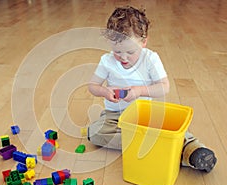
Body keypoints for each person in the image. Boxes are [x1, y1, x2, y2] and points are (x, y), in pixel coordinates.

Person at [87, 5, 217, 172]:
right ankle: (164, 148)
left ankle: (193, 150)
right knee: (95, 132)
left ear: (144, 41)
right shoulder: (107, 61)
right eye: (117, 51)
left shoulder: (150, 59)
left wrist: (139, 91)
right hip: (115, 116)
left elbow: (164, 87)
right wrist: (105, 92)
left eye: (130, 51)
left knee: (167, 124)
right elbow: (93, 86)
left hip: (145, 113)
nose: (123, 57)